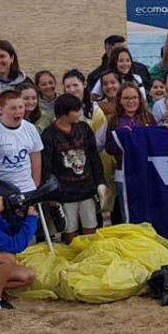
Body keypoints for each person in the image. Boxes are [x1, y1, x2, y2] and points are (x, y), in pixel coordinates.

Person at [40, 94, 108, 244]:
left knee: (91, 227)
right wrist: (52, 195)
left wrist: (100, 182)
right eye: (77, 110)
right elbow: (47, 168)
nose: (80, 114)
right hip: (64, 193)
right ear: (65, 112)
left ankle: (89, 256)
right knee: (69, 230)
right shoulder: (49, 135)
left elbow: (94, 158)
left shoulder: (84, 128)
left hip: (87, 190)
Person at [105, 82, 155, 224]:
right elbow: (109, 148)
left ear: (140, 99)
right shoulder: (114, 121)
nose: (131, 101)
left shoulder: (149, 119)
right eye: (126, 98)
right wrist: (122, 137)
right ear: (120, 100)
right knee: (127, 209)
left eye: (134, 97)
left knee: (148, 208)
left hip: (147, 172)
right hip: (124, 172)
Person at [0, 91, 43, 193]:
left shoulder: (30, 129)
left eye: (21, 107)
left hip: (28, 189)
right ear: (1, 109)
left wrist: (36, 186)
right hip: (2, 192)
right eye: (13, 108)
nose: (18, 112)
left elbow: (36, 161)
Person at [86, 35, 150, 94]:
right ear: (108, 51)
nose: (124, 53)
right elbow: (94, 98)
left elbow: (147, 94)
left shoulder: (140, 69)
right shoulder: (96, 76)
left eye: (126, 50)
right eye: (120, 50)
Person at [62, 70, 107, 153]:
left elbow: (100, 140)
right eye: (68, 87)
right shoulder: (61, 110)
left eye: (75, 85)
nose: (72, 90)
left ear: (84, 84)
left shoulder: (95, 110)